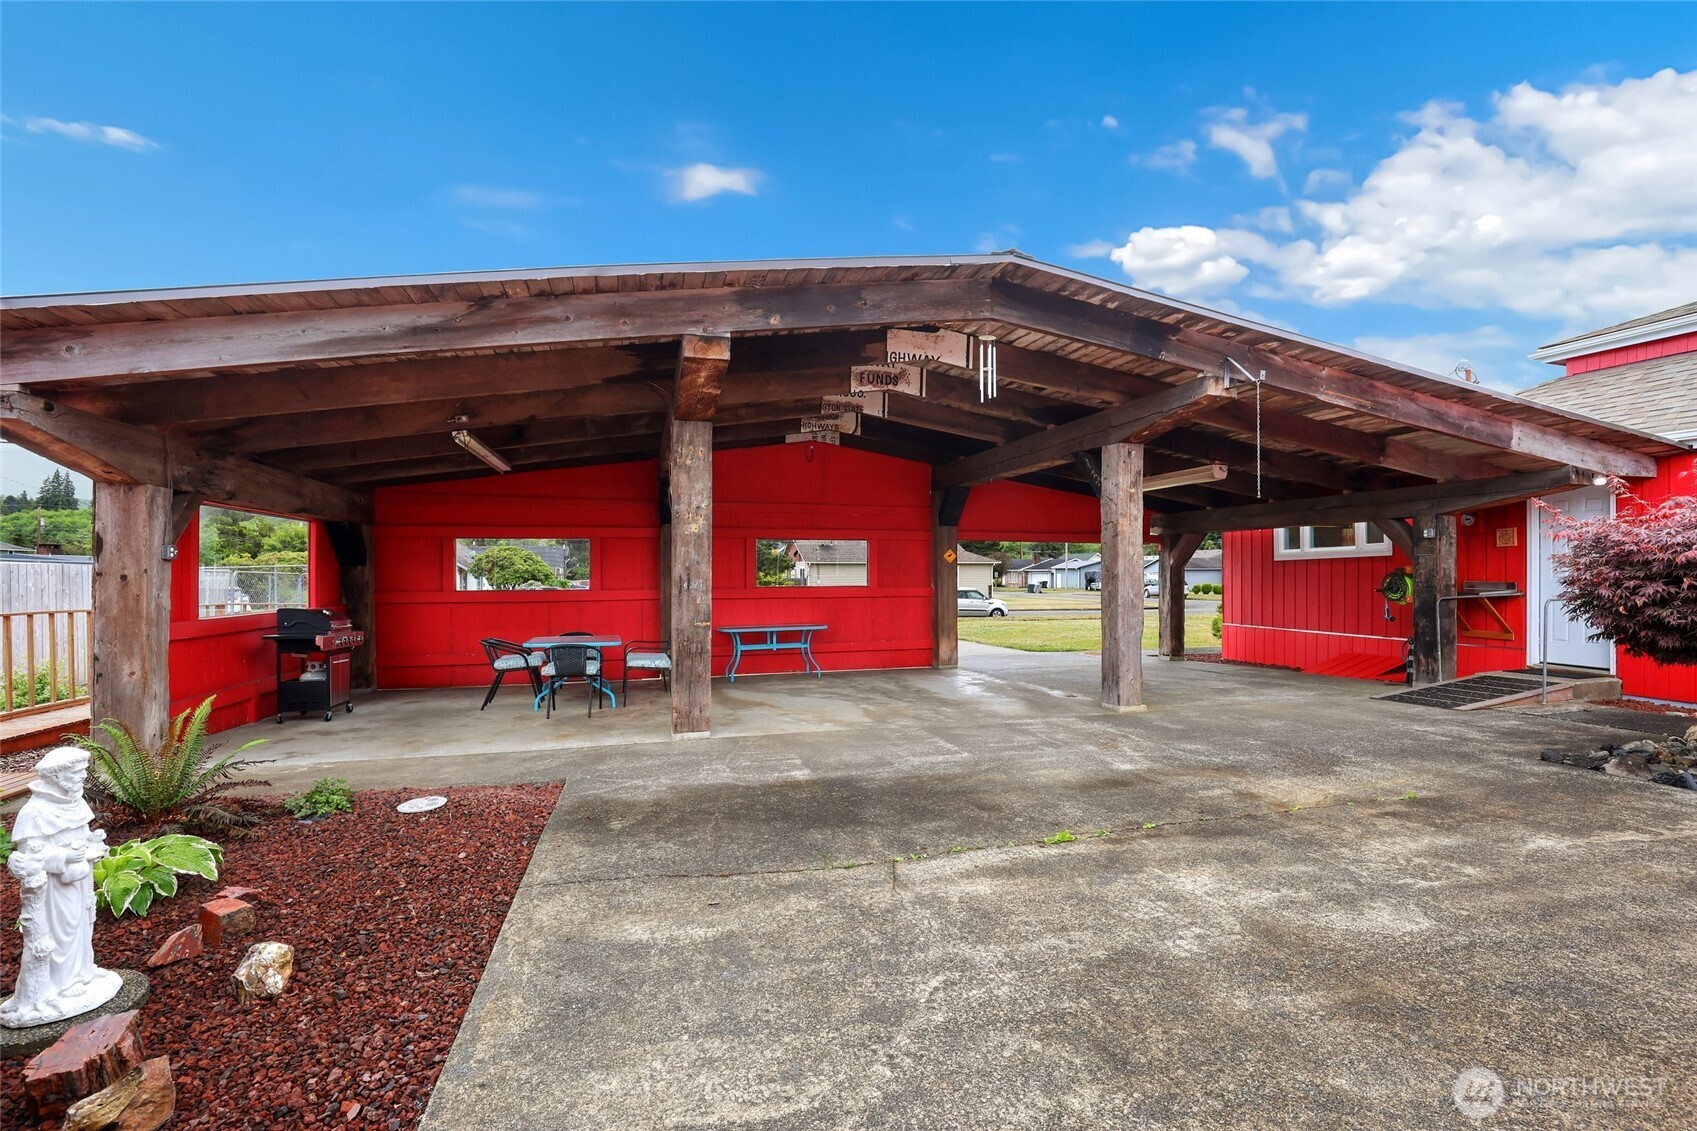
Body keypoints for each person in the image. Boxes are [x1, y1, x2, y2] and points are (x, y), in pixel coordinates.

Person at [0, 746, 122, 1028]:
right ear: (57, 777)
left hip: (80, 880)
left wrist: (93, 843)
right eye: (75, 774)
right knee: (63, 929)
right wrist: (64, 856)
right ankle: (62, 982)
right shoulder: (36, 812)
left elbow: (83, 835)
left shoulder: (75, 803)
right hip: (56, 886)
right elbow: (31, 855)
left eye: (82, 773)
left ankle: (81, 973)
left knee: (82, 923)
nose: (81, 779)